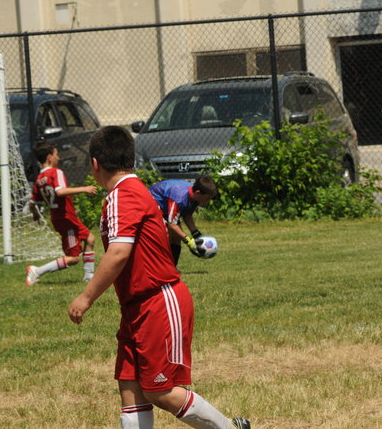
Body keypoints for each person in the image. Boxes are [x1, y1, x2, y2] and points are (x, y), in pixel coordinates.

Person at [68, 126, 250, 429]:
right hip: (136, 306)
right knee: (130, 386)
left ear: (95, 164)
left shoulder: (123, 195)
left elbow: (118, 253)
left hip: (158, 301)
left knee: (159, 390)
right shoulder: (128, 192)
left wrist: (86, 297)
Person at [26, 140, 97, 286]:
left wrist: (35, 215)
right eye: (56, 154)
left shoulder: (39, 179)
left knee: (90, 239)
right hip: (66, 219)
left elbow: (32, 203)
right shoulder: (55, 172)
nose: (58, 157)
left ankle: (89, 276)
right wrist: (84, 189)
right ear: (49, 157)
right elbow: (60, 191)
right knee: (74, 258)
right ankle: (37, 271)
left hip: (60, 218)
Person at [149, 176, 217, 265]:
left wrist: (196, 234)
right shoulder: (179, 198)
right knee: (164, 237)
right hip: (152, 205)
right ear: (198, 193)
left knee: (176, 238)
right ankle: (160, 268)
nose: (208, 201)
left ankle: (172, 269)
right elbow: (172, 224)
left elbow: (187, 215)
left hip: (165, 209)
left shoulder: (194, 197)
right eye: (207, 198)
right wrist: (188, 241)